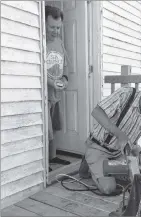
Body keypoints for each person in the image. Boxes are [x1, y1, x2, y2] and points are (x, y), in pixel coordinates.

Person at [79, 80, 141, 194]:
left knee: (136, 182)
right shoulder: (126, 94)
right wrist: (119, 133)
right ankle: (89, 161)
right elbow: (96, 112)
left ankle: (105, 167)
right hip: (99, 147)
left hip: (120, 153)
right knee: (109, 188)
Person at [45, 5, 71, 171]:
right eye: (52, 27)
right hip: (44, 94)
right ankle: (43, 163)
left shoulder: (59, 42)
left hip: (56, 93)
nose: (55, 31)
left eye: (58, 27)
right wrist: (50, 82)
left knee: (54, 126)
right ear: (44, 23)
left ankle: (53, 157)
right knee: (45, 129)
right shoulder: (40, 42)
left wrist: (65, 79)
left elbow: (66, 65)